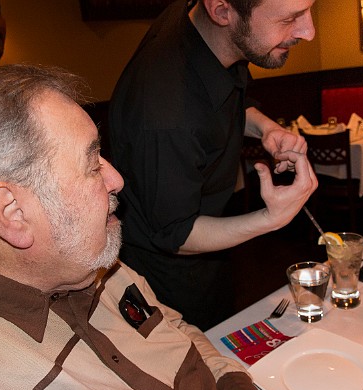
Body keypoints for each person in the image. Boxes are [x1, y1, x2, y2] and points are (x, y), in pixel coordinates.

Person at [0, 65, 282, 390]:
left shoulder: (78, 251)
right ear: (13, 213)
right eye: (91, 163)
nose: (116, 179)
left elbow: (172, 327)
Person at [109, 0, 318, 330]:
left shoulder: (202, 25)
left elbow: (221, 97)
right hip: (167, 275)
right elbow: (176, 235)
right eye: (290, 19)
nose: (309, 32)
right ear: (222, 11)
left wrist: (266, 128)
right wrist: (271, 218)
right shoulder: (166, 109)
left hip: (210, 249)